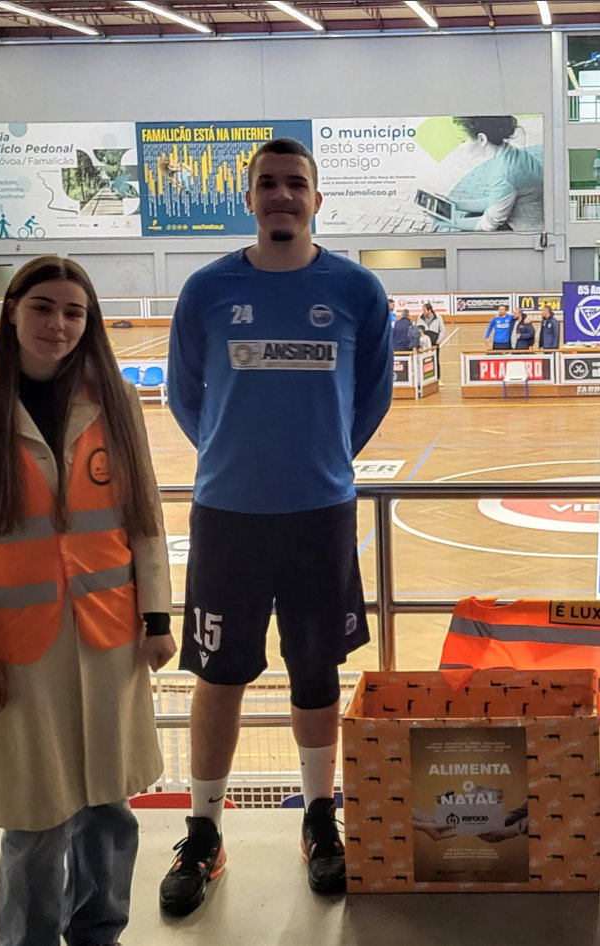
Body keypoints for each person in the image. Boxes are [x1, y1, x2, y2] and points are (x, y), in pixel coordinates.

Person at [163, 137, 393, 913]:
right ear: (250, 199)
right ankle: (203, 832)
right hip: (227, 513)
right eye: (268, 183)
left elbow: (372, 396)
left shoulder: (356, 289)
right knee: (217, 674)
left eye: (296, 183)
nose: (282, 194)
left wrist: (321, 457)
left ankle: (319, 819)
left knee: (316, 670)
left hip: (319, 513)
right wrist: (232, 454)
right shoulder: (206, 290)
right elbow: (185, 396)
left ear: (316, 199)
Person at [0, 255, 175, 946]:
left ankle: (99, 934)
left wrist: (157, 619)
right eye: (42, 307)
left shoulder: (116, 401)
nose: (56, 324)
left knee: (108, 809)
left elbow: (145, 521)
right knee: (34, 820)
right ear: (11, 312)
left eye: (73, 312)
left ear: (88, 323)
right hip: (16, 649)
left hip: (109, 640)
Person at [447, 115, 544, 232]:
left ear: (482, 139)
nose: (461, 147)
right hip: (534, 218)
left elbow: (488, 225)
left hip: (527, 232)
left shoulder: (503, 173)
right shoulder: (513, 153)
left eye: (462, 141)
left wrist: (444, 221)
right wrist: (456, 205)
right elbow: (495, 201)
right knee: (470, 216)